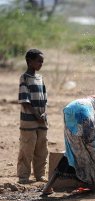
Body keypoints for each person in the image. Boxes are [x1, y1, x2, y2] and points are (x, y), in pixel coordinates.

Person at [17, 49, 48, 184]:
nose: (41, 64)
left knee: (41, 148)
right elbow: (25, 102)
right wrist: (36, 115)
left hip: (41, 119)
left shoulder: (40, 78)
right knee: (27, 147)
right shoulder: (24, 78)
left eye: (42, 61)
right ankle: (23, 176)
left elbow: (44, 99)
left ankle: (40, 175)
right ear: (29, 61)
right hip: (29, 120)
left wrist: (43, 114)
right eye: (38, 61)